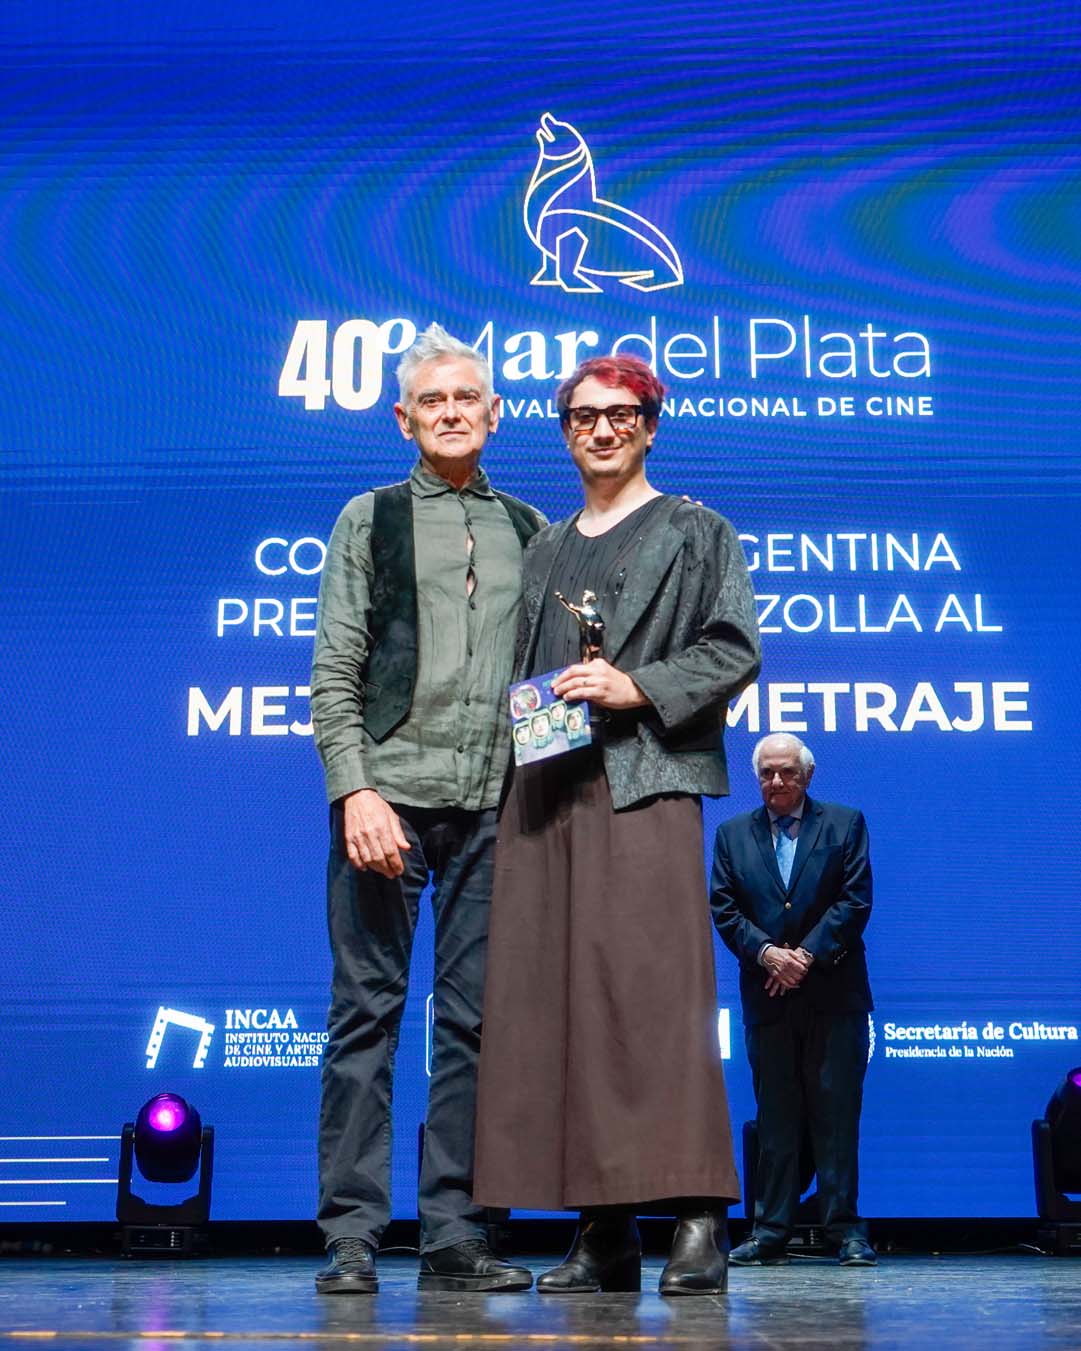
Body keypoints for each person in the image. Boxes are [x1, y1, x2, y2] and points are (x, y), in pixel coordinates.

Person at [473, 354, 761, 1296]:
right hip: (546, 789)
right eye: (582, 415)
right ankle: (603, 1231)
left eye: (621, 414)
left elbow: (733, 647)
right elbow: (524, 669)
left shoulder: (695, 529)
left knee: (655, 1001)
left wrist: (635, 686)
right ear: (564, 430)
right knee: (560, 1008)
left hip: (643, 785)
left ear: (649, 425)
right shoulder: (547, 546)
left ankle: (698, 1219)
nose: (601, 429)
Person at [309, 324, 545, 1294]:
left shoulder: (531, 529)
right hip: (388, 803)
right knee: (365, 1017)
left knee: (475, 1025)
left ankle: (455, 1232)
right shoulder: (369, 517)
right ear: (403, 419)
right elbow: (335, 667)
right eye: (432, 401)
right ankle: (352, 1234)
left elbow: (547, 684)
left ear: (495, 414)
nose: (451, 413)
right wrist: (354, 787)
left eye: (466, 399)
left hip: (496, 809)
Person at [709, 733, 876, 1267]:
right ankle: (770, 1230)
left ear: (807, 776)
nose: (776, 781)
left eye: (786, 772)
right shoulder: (732, 834)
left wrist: (803, 956)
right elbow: (725, 908)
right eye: (767, 773)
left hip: (835, 996)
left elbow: (855, 899)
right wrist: (767, 954)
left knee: (836, 1116)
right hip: (768, 998)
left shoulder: (845, 823)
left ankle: (844, 1229)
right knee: (776, 1119)